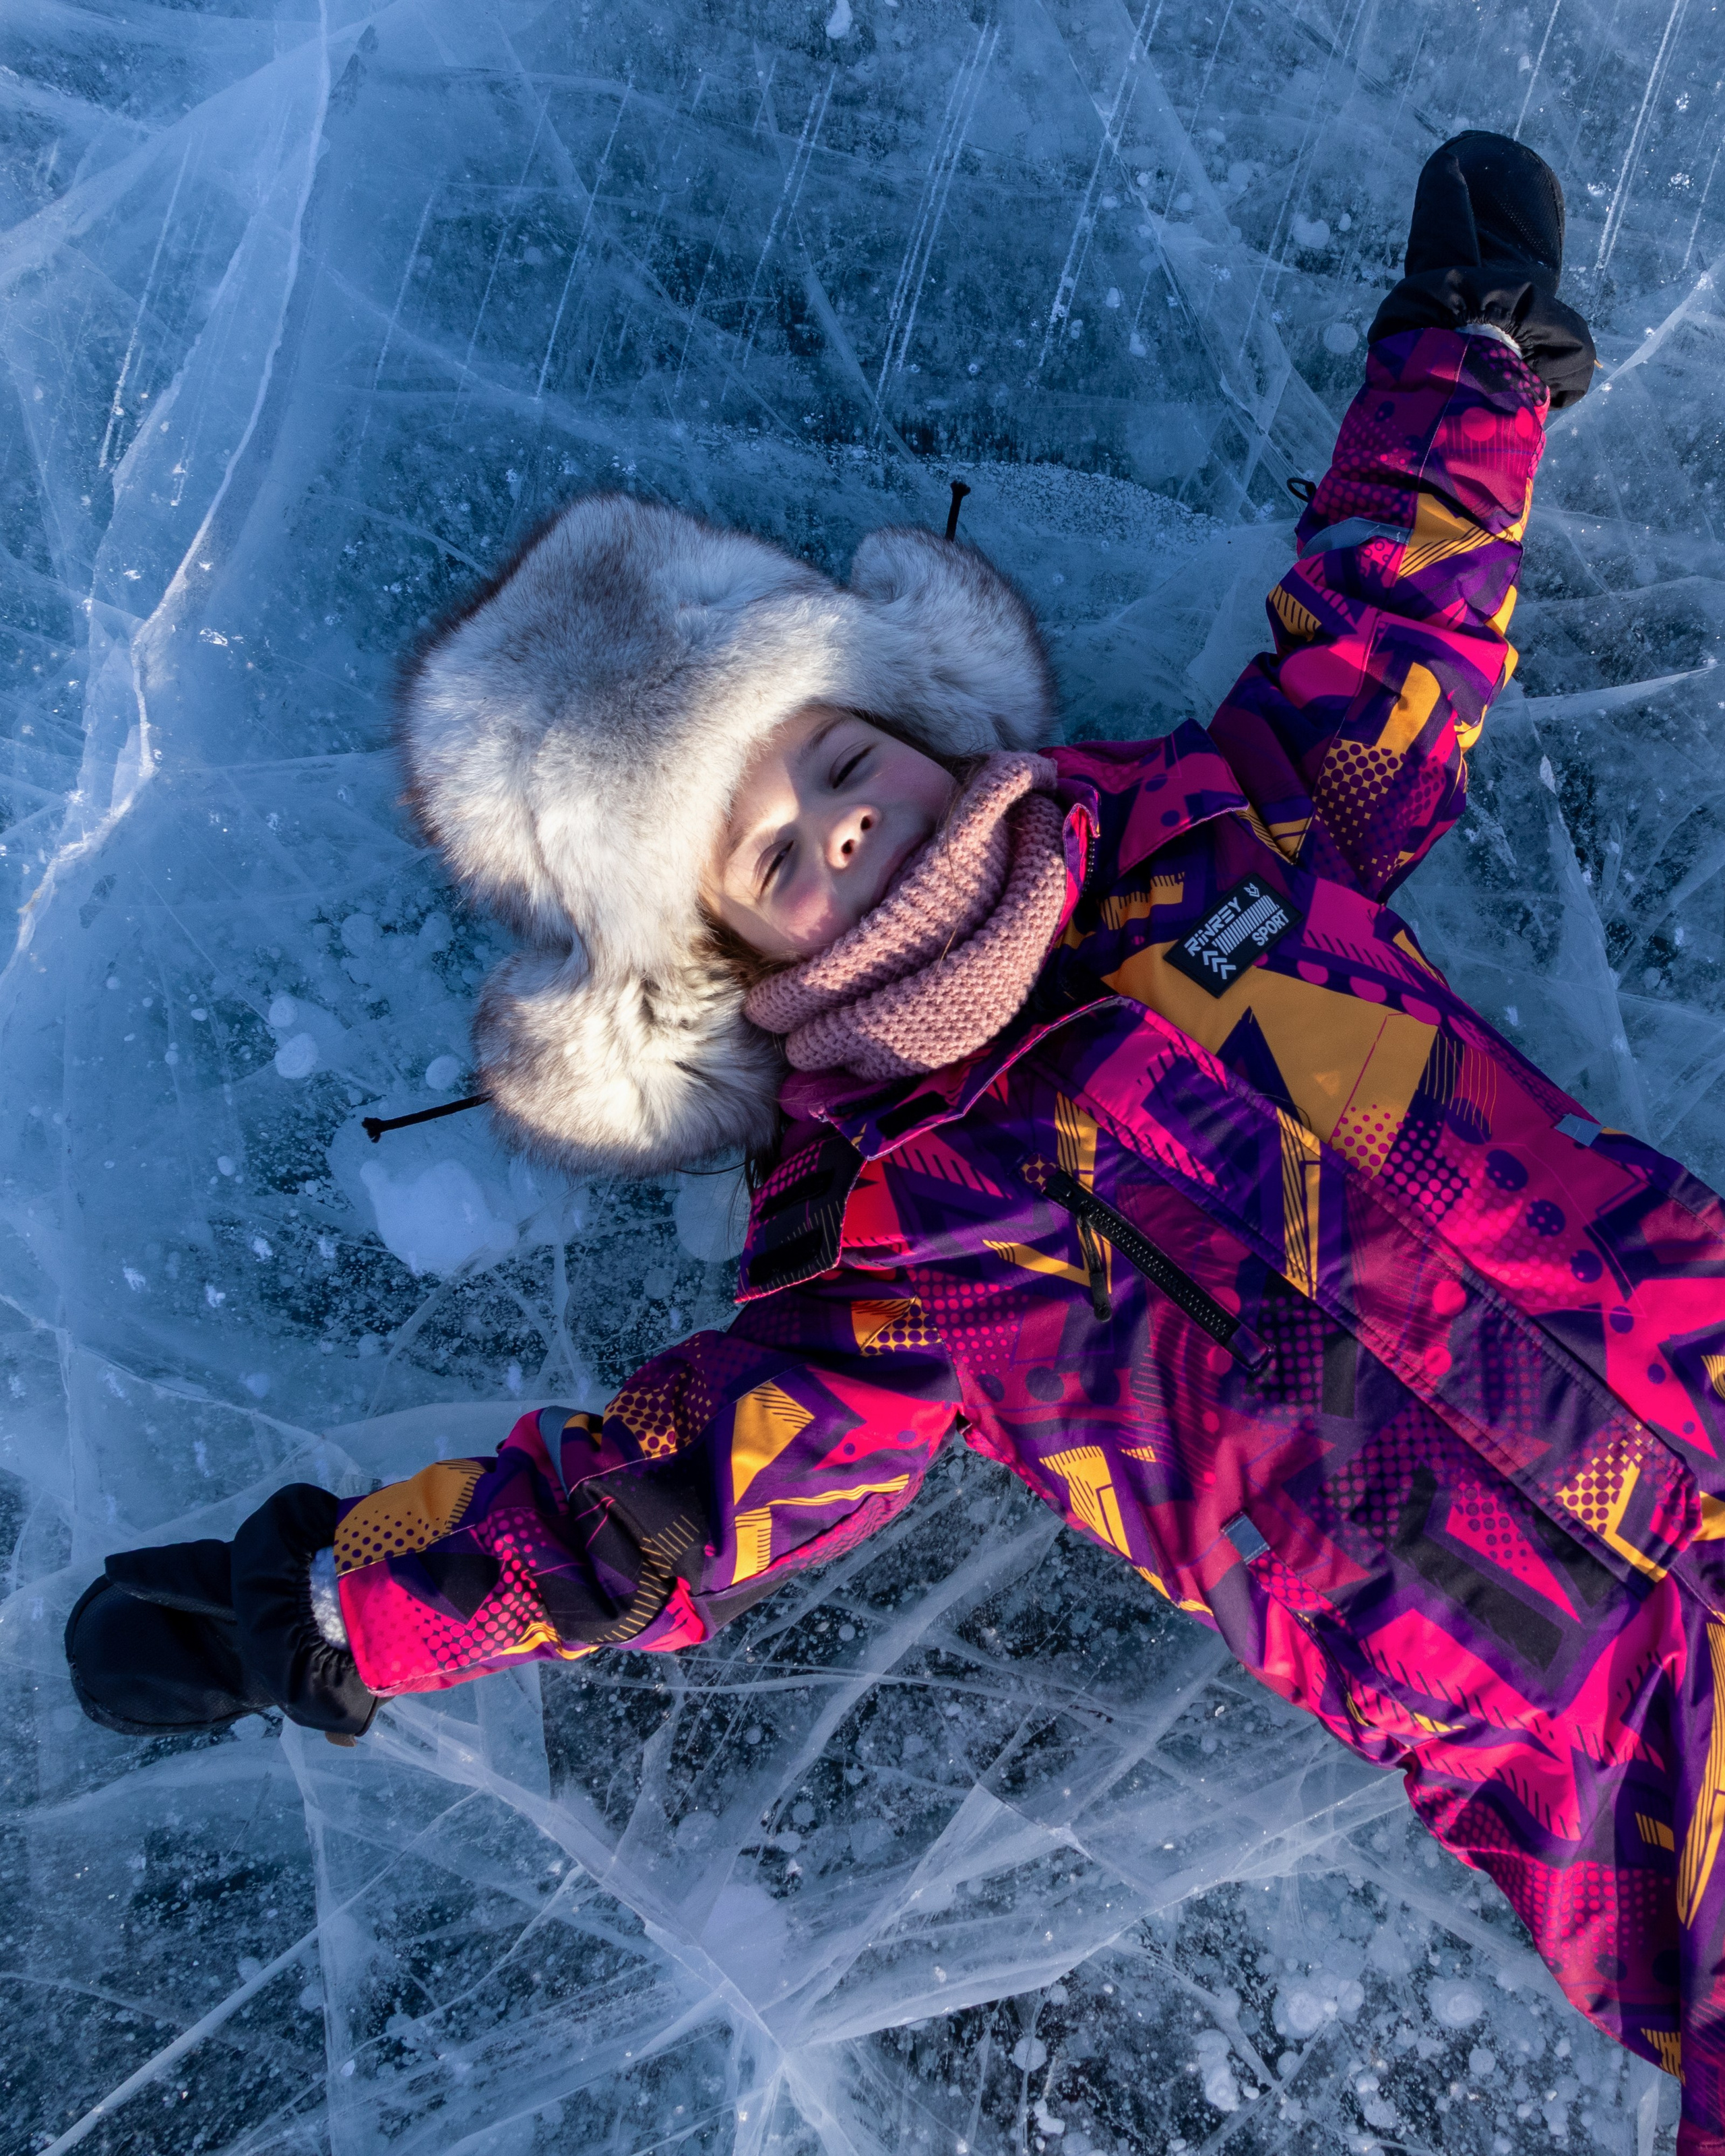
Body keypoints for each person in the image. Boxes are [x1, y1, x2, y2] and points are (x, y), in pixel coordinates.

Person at [64, 135, 1725, 2148]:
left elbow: (1391, 635)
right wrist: (328, 1606)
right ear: (716, 954)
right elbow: (641, 1516)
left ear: (917, 721)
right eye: (772, 846)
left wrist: (1462, 369)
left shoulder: (1238, 838)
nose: (840, 820)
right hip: (1586, 1744)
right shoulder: (892, 1251)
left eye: (837, 752)